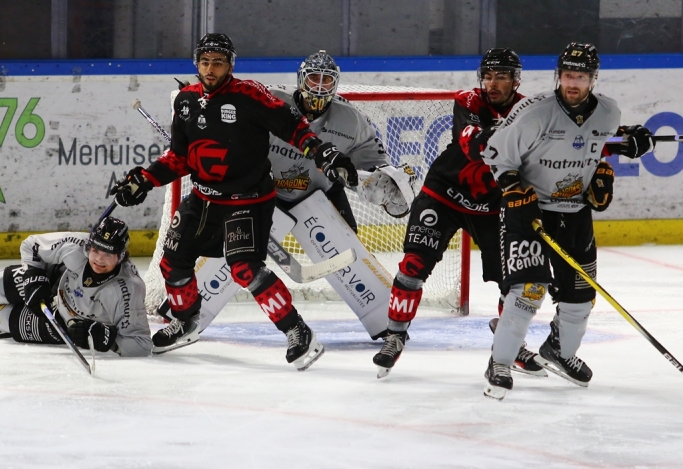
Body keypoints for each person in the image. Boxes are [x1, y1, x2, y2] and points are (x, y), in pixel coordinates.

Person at [111, 33, 358, 370]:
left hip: (248, 200)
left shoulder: (250, 95)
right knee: (172, 261)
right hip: (203, 197)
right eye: (205, 62)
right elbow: (180, 157)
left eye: (219, 62)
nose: (210, 69)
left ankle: (298, 331)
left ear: (230, 65)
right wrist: (146, 179)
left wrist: (323, 152)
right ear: (196, 64)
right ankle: (185, 322)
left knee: (244, 269)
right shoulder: (185, 100)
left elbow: (293, 126)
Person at [481, 42, 655, 399]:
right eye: (566, 75)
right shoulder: (534, 112)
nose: (572, 83)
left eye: (580, 76)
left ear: (593, 78)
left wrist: (623, 149)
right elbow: (494, 153)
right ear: (557, 76)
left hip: (575, 214)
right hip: (529, 211)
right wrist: (515, 192)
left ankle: (559, 351)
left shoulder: (607, 112)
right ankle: (500, 362)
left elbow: (593, 144)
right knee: (527, 293)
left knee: (579, 302)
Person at [372, 48, 538, 379]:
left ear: (515, 80)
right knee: (413, 266)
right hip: (444, 194)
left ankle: (508, 341)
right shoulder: (468, 100)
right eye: (488, 76)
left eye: (501, 76)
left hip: (493, 207)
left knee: (515, 281)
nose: (492, 83)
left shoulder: (532, 112)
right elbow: (472, 145)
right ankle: (394, 336)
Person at [0, 216, 153, 358]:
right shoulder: (76, 246)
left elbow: (142, 345)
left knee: (1, 319)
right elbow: (31, 245)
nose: (98, 259)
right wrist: (33, 277)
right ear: (89, 246)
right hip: (56, 281)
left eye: (107, 254)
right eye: (96, 250)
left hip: (67, 323)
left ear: (120, 256)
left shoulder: (128, 289)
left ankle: (3, 319)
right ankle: (8, 298)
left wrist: (107, 340)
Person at [268, 50, 410, 231]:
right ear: (301, 79)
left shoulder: (350, 119)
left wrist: (383, 178)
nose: (319, 86)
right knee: (238, 253)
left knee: (353, 256)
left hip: (320, 193)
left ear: (335, 84)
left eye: (326, 80)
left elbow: (372, 158)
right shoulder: (272, 100)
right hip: (266, 192)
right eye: (314, 78)